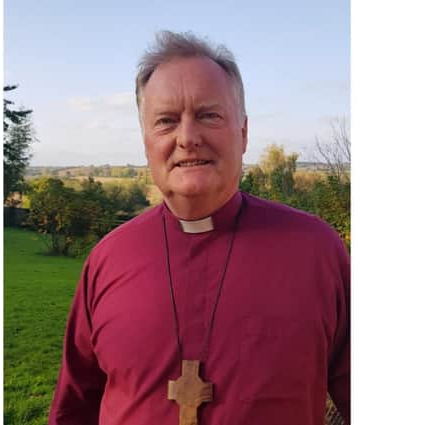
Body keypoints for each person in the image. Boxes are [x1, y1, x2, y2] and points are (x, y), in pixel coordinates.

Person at [49, 30, 350, 425]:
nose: (187, 138)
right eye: (166, 121)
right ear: (146, 144)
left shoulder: (316, 252)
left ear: (242, 133)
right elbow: (75, 409)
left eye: (209, 115)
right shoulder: (108, 259)